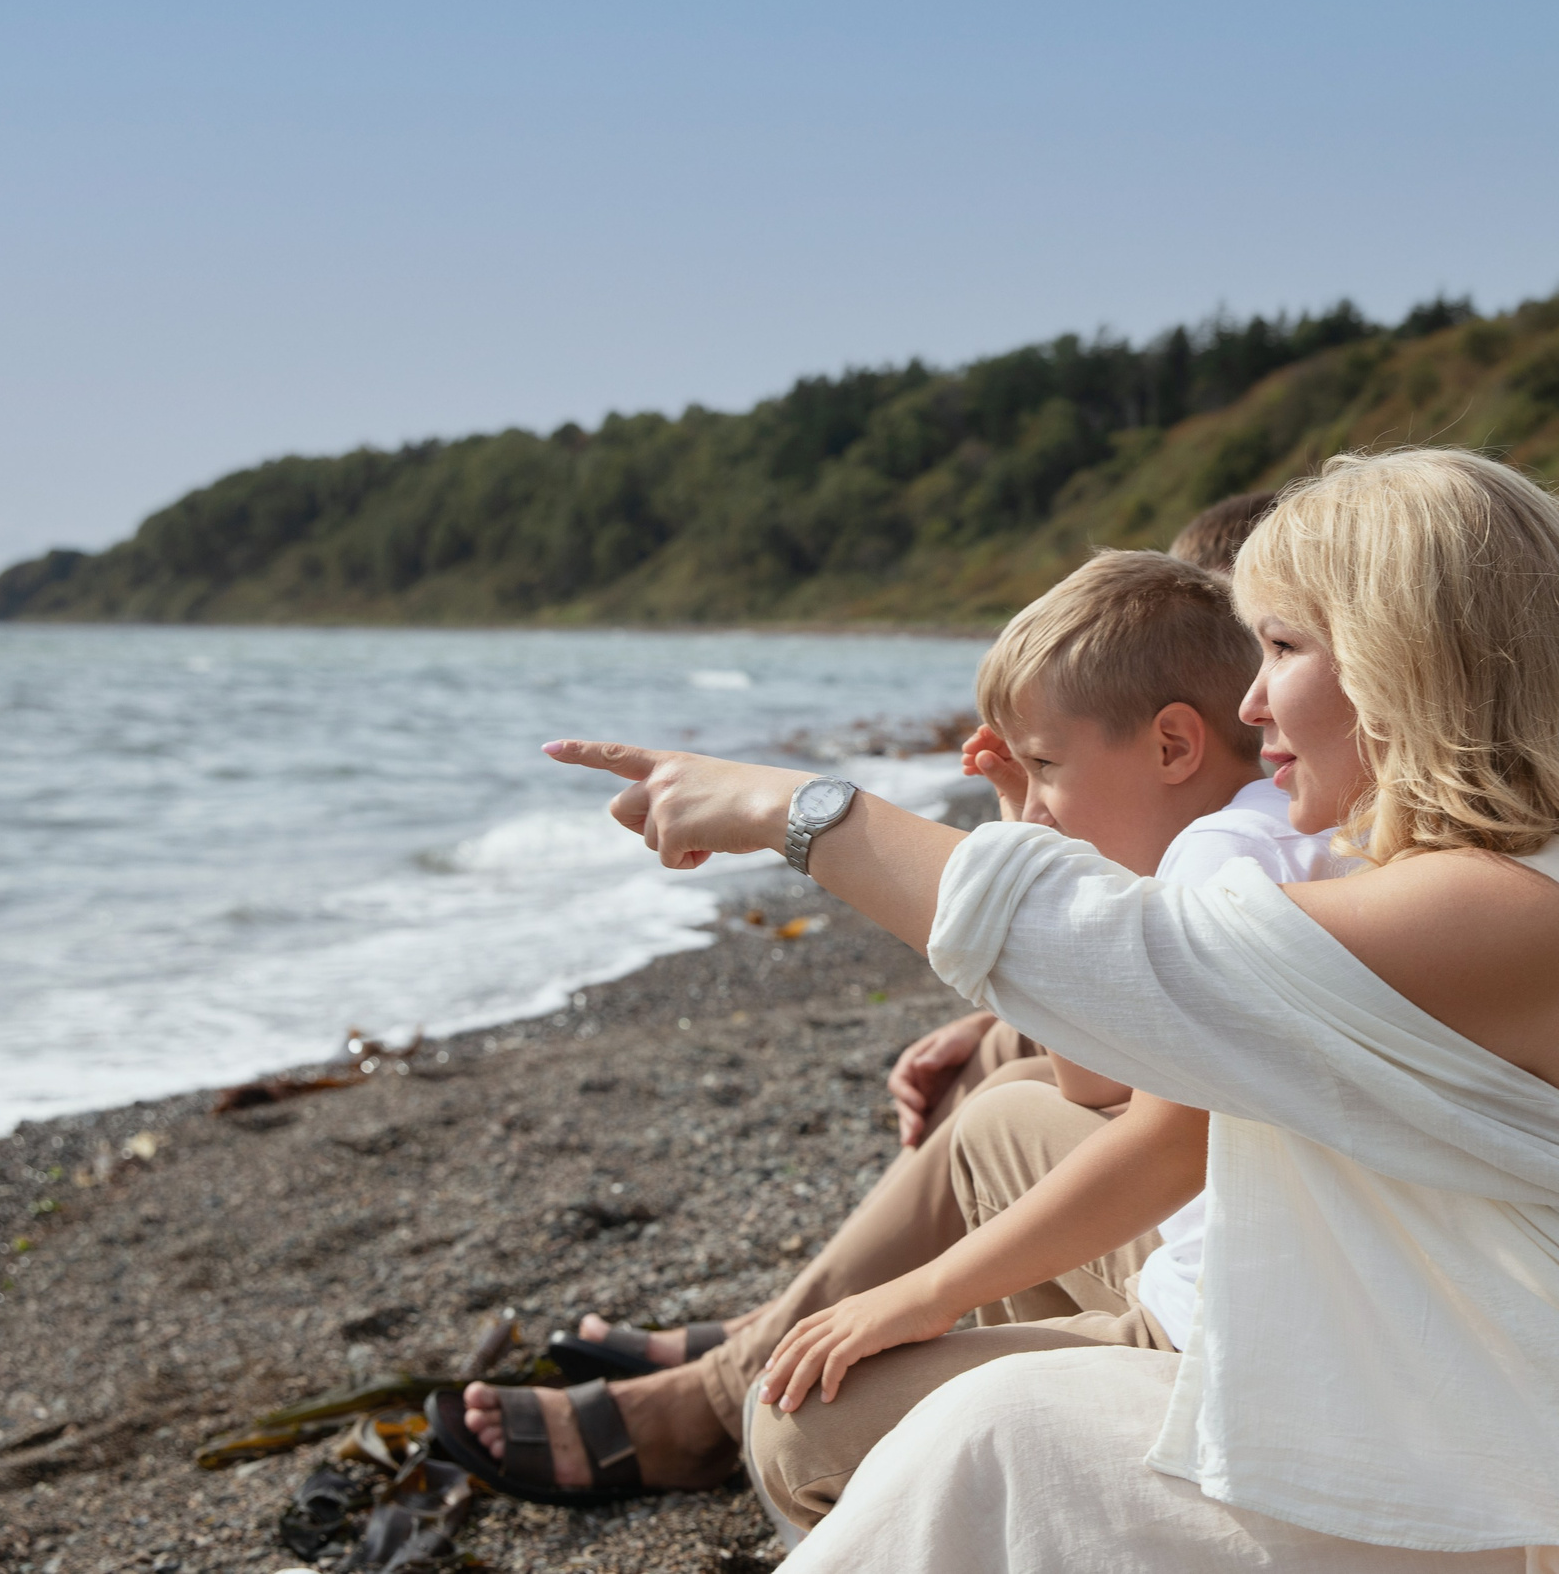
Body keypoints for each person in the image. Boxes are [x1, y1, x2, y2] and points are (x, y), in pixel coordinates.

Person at [526, 448, 1559, 1570]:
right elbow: (1156, 995)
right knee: (995, 1419)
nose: (1250, 695)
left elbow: (1150, 962)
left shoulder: (1525, 908)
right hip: (1493, 1424)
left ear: (1408, 660)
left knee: (990, 1435)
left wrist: (797, 807)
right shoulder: (1552, 862)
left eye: (1284, 643)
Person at [427, 548, 1326, 1505]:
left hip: (1242, 1326)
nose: (1035, 786)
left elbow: (1163, 1139)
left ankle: (1039, 1469)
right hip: (1247, 1266)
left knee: (795, 1433)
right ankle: (1037, 1460)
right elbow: (1092, 1082)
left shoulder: (1224, 858)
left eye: (1048, 763)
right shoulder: (1244, 828)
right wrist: (1033, 824)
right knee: (996, 1116)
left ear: (1174, 747)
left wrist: (924, 1293)